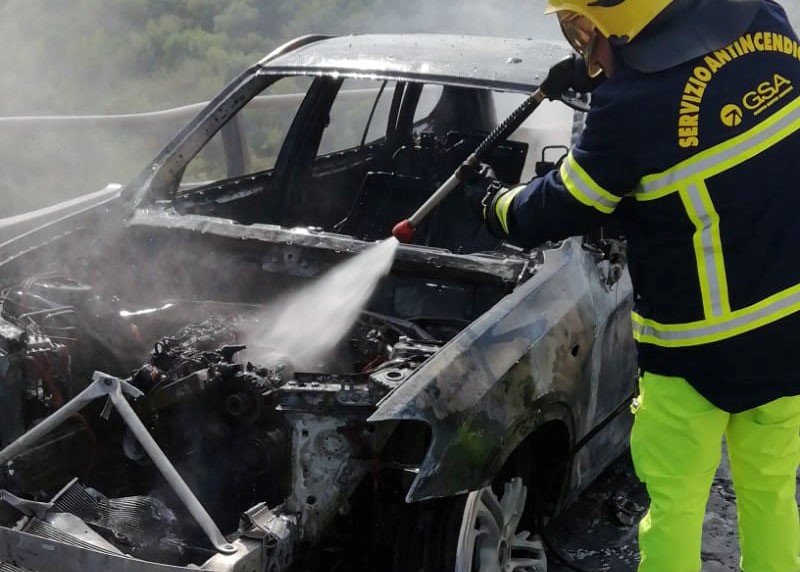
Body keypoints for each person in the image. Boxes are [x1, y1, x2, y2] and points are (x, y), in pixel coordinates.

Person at [465, 0, 800, 570]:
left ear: (621, 19)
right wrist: (603, 74)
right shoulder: (767, 24)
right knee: (770, 493)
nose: (586, 48)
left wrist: (495, 204)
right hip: (789, 330)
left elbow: (564, 204)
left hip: (696, 351)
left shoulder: (630, 108)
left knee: (676, 507)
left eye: (582, 29)